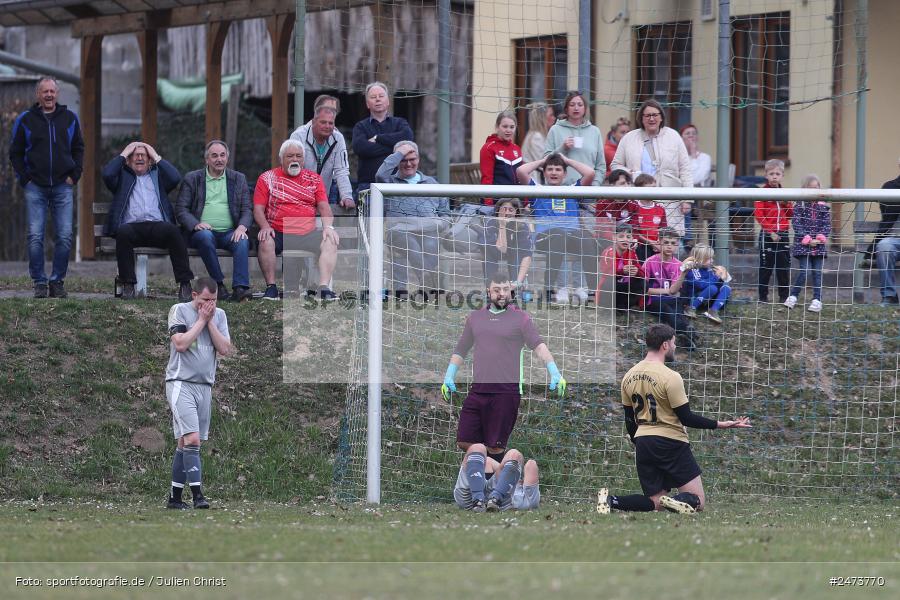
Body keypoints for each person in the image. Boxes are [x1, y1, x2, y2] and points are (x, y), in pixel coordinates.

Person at [597, 324, 751, 514]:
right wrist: (721, 424)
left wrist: (639, 442)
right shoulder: (670, 377)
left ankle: (612, 501)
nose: (675, 347)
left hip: (644, 442)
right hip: (671, 441)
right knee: (698, 501)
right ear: (665, 345)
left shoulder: (628, 377)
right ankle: (675, 501)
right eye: (674, 343)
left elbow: (630, 420)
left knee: (654, 502)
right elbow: (686, 418)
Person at [442, 273, 566, 462]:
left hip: (506, 392)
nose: (502, 294)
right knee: (465, 441)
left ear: (511, 291)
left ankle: (494, 486)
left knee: (495, 447)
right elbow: (461, 349)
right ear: (488, 292)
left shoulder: (521, 318)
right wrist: (449, 375)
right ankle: (496, 477)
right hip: (478, 391)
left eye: (506, 289)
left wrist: (554, 371)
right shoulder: (475, 318)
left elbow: (539, 346)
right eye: (497, 290)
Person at [9, 77, 84, 298]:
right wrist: (25, 178)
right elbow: (15, 153)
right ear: (38, 95)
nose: (49, 95)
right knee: (35, 236)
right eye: (45, 92)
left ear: (57, 94)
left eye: (52, 91)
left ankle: (57, 282)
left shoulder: (70, 118)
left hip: (63, 185)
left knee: (64, 236)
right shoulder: (25, 120)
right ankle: (39, 282)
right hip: (35, 187)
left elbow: (79, 148)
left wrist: (75, 175)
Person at [165, 277, 234, 510]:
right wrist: (201, 320)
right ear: (194, 296)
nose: (210, 305)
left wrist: (210, 321)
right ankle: (198, 496)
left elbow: (225, 349)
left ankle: (174, 499)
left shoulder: (219, 316)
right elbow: (181, 344)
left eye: (214, 300)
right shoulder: (179, 311)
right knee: (192, 439)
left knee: (186, 443)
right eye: (205, 300)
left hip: (205, 386)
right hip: (180, 382)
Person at [102, 141, 193, 301]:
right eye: (135, 155)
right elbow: (107, 174)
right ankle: (128, 285)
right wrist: (125, 152)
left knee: (174, 231)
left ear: (150, 160)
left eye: (143, 155)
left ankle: (185, 284)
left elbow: (175, 177)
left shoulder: (157, 177)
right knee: (122, 232)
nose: (139, 157)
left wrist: (155, 154)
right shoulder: (122, 178)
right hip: (132, 228)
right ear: (128, 161)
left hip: (157, 227)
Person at [253, 139, 339, 301]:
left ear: (303, 159)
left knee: (330, 241)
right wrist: (264, 226)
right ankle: (271, 288)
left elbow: (324, 208)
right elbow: (258, 209)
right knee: (265, 240)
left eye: (298, 156)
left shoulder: (314, 179)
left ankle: (323, 288)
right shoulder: (267, 178)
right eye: (290, 156)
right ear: (281, 159)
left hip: (307, 233)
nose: (294, 160)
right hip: (278, 232)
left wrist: (328, 227)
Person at [174, 140, 253, 302]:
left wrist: (242, 227)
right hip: (202, 233)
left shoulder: (238, 179)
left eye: (222, 155)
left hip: (230, 233)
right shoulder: (193, 178)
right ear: (207, 160)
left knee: (242, 241)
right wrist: (196, 224)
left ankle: (240, 288)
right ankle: (219, 285)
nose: (219, 159)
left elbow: (247, 209)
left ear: (227, 158)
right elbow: (181, 210)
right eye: (214, 156)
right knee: (205, 236)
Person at [517, 153, 596, 304]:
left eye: (558, 169)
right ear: (544, 172)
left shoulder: (573, 190)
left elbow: (590, 173)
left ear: (565, 174)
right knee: (559, 235)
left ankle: (593, 290)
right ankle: (549, 290)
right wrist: (543, 161)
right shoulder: (537, 189)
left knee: (585, 237)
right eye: (550, 169)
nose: (554, 172)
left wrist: (567, 160)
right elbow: (520, 171)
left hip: (571, 238)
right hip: (545, 238)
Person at [376, 141, 450, 297]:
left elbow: (445, 213)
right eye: (403, 160)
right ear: (396, 161)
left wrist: (439, 224)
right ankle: (426, 280)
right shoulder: (390, 181)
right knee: (406, 242)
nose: (408, 164)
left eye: (412, 159)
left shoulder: (431, 183)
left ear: (418, 160)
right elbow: (380, 174)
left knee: (431, 242)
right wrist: (399, 153)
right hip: (399, 232)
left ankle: (426, 289)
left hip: (428, 231)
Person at [610, 99, 693, 237]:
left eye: (655, 115)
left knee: (668, 241)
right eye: (647, 115)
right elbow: (615, 165)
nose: (651, 118)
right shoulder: (629, 138)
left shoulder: (673, 136)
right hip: (638, 199)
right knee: (639, 238)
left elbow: (685, 168)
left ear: (661, 117)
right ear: (641, 118)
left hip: (669, 199)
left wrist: (688, 199)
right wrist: (630, 174)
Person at [351, 82, 415, 204]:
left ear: (388, 101)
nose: (378, 99)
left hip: (398, 184)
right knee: (371, 223)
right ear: (367, 104)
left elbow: (408, 137)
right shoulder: (361, 127)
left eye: (381, 96)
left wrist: (378, 138)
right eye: (373, 97)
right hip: (368, 185)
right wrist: (396, 149)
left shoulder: (400, 123)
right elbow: (361, 148)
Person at [290, 100, 355, 213]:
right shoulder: (298, 136)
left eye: (331, 123)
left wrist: (347, 196)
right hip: (298, 197)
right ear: (314, 121)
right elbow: (293, 169)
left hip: (325, 196)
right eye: (323, 122)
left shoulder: (338, 138)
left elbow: (341, 170)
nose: (327, 126)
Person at [643, 228, 698, 351]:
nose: (669, 246)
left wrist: (683, 274)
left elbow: (674, 290)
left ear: (678, 245)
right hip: (653, 300)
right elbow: (644, 289)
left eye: (673, 244)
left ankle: (686, 337)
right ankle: (686, 330)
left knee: (677, 310)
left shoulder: (678, 264)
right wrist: (667, 291)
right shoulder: (649, 262)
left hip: (672, 298)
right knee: (667, 309)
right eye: (666, 242)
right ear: (659, 242)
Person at [784, 175, 830, 313]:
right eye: (810, 188)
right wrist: (808, 239)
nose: (814, 191)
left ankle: (817, 300)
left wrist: (820, 238)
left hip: (819, 247)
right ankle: (793, 296)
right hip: (803, 246)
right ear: (804, 189)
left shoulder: (824, 208)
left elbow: (826, 225)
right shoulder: (800, 206)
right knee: (804, 271)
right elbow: (797, 223)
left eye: (816, 188)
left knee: (817, 273)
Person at [453, 444, 540, 513]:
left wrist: (510, 475)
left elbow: (531, 465)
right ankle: (494, 499)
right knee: (514, 454)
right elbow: (531, 464)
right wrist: (509, 476)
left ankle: (479, 501)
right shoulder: (530, 500)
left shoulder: (529, 501)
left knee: (477, 448)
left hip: (470, 499)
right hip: (500, 499)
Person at [544, 91, 605, 185]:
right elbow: (545, 160)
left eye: (580, 105)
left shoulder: (595, 131)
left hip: (588, 191)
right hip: (562, 190)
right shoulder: (555, 129)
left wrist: (595, 185)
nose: (576, 108)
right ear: (566, 108)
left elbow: (600, 165)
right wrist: (562, 148)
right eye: (572, 105)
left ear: (585, 109)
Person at [753, 159, 793, 303]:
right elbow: (759, 215)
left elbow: (790, 214)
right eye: (771, 173)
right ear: (766, 175)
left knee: (783, 267)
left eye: (777, 173)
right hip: (767, 234)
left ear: (782, 175)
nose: (774, 176)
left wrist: (786, 204)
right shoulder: (762, 193)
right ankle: (763, 297)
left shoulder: (785, 194)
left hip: (782, 234)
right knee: (766, 267)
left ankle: (784, 297)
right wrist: (770, 231)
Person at [482, 197, 533, 290]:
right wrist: (502, 225)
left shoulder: (522, 226)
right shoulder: (491, 223)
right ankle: (491, 288)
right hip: (494, 253)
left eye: (511, 210)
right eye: (504, 209)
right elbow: (502, 249)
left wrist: (518, 282)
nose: (507, 213)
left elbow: (527, 255)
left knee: (517, 253)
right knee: (487, 255)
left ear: (516, 212)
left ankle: (516, 286)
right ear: (498, 211)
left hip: (514, 254)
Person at [596, 223, 646, 311]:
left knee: (643, 283)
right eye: (621, 236)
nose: (625, 239)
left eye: (628, 237)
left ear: (631, 239)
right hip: (610, 288)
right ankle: (607, 307)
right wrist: (622, 271)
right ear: (614, 238)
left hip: (623, 287)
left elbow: (642, 272)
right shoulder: (608, 252)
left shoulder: (632, 253)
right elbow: (606, 274)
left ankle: (623, 306)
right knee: (609, 283)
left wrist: (636, 272)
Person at [479, 111, 523, 206]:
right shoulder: (488, 148)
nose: (508, 130)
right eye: (505, 126)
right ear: (497, 127)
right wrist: (488, 205)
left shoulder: (517, 149)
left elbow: (522, 178)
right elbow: (487, 179)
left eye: (512, 127)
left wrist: (527, 201)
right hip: (497, 203)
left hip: (516, 203)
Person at [681, 243, 732, 324]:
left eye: (712, 257)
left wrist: (721, 278)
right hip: (695, 298)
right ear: (698, 259)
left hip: (708, 300)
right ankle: (691, 308)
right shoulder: (692, 269)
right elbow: (701, 285)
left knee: (726, 288)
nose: (712, 260)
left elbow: (717, 286)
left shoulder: (710, 269)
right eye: (708, 258)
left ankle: (713, 311)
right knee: (712, 288)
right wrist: (716, 277)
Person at [679, 124, 712, 249]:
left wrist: (693, 156)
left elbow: (698, 178)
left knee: (686, 200)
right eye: (687, 134)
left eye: (693, 133)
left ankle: (687, 240)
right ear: (681, 138)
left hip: (700, 196)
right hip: (680, 193)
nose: (691, 136)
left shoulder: (705, 158)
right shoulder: (678, 157)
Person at [631, 173, 668, 262]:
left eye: (654, 187)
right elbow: (634, 231)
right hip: (640, 247)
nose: (653, 191)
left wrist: (659, 242)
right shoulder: (633, 207)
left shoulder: (660, 208)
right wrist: (650, 242)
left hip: (657, 247)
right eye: (649, 188)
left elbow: (663, 229)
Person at [595, 169, 637, 241]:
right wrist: (618, 241)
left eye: (628, 183)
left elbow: (635, 230)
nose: (627, 186)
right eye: (622, 183)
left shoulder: (634, 205)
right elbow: (602, 230)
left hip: (627, 242)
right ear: (612, 186)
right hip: (606, 242)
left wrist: (634, 239)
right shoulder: (602, 204)